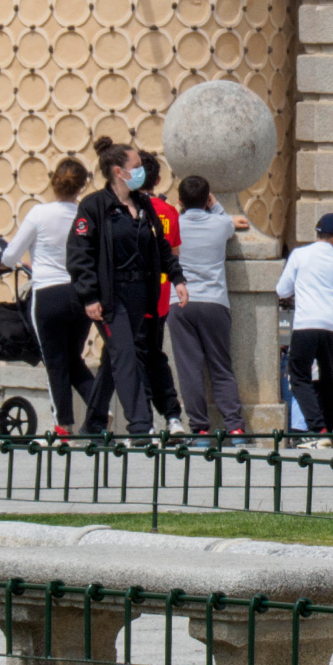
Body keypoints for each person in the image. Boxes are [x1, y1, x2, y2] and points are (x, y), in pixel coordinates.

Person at [67, 137, 187, 437]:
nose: (141, 171)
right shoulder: (94, 206)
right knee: (126, 355)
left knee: (114, 359)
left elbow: (160, 246)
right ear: (118, 172)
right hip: (110, 296)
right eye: (136, 166)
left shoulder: (143, 204)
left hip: (140, 294)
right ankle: (140, 426)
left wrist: (177, 278)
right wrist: (89, 295)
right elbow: (80, 254)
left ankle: (93, 425)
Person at [3, 156, 96, 437]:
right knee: (73, 359)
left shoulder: (39, 214)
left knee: (55, 362)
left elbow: (9, 256)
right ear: (81, 186)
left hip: (47, 294)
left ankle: (63, 426)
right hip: (80, 294)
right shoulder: (86, 215)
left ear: (53, 181)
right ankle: (99, 408)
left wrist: (25, 264)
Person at [169, 175, 247, 445]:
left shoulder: (175, 224)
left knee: (189, 369)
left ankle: (200, 431)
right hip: (214, 302)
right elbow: (231, 222)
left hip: (180, 302)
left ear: (180, 201)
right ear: (208, 199)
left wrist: (180, 210)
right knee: (221, 367)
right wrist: (216, 206)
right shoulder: (219, 223)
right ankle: (235, 429)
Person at [278, 212, 333, 438]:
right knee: (329, 376)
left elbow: (282, 290)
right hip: (330, 325)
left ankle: (317, 427)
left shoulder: (299, 254)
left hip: (306, 323)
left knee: (298, 376)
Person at [136, 150, 186, 434]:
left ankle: (146, 421)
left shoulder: (130, 210)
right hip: (162, 295)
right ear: (157, 180)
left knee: (137, 358)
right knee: (155, 355)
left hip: (135, 295)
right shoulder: (168, 211)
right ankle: (172, 416)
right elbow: (174, 254)